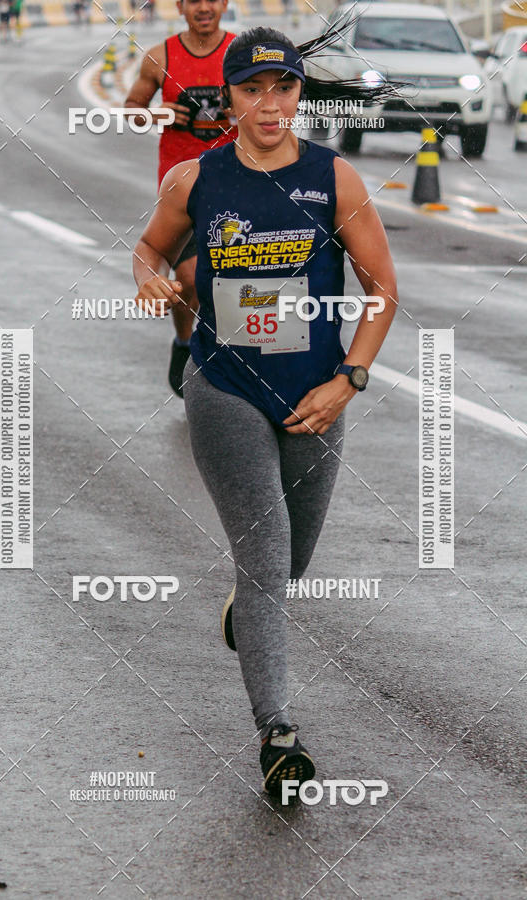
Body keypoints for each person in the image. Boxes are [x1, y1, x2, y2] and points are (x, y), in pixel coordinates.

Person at [132, 26, 398, 800]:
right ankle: (277, 732)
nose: (270, 104)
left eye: (283, 88)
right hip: (227, 392)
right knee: (265, 560)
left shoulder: (334, 179)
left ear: (297, 94)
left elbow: (382, 288)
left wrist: (350, 378)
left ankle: (246, 612)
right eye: (253, 90)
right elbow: (148, 248)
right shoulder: (195, 180)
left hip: (315, 397)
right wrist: (148, 277)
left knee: (291, 566)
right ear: (234, 99)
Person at [124, 0, 237, 397]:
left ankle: (228, 359)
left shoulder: (240, 54)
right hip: (182, 190)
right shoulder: (160, 57)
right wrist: (159, 114)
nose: (203, 7)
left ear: (224, 4)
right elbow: (132, 110)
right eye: (194, 0)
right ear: (180, 6)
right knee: (188, 279)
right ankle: (186, 343)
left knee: (231, 281)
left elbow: (271, 105)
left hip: (237, 186)